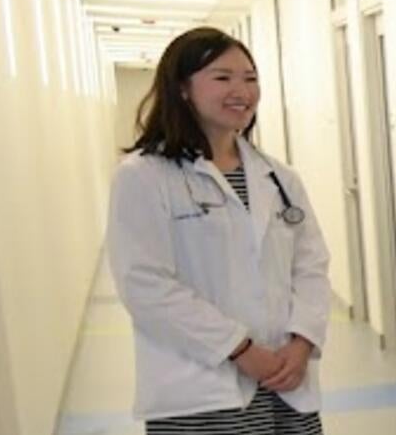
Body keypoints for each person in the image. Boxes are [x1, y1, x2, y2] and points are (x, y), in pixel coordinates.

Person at [105, 27, 331, 435]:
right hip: (201, 392)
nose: (241, 90)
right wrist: (239, 349)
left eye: (250, 78)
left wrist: (302, 342)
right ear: (183, 89)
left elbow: (311, 265)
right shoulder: (143, 176)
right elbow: (144, 284)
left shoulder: (278, 177)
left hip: (284, 383)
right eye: (222, 77)